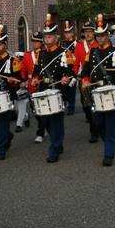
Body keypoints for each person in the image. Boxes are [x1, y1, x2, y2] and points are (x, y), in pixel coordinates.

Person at [80, 15, 115, 166]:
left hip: (111, 91)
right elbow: (85, 71)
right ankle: (108, 143)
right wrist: (85, 80)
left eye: (102, 36)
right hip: (96, 92)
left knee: (111, 124)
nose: (99, 38)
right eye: (97, 36)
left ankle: (109, 154)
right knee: (98, 123)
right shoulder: (91, 52)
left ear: (107, 36)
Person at [31, 14, 74, 162]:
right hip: (44, 89)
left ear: (56, 37)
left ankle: (54, 150)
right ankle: (58, 143)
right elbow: (36, 71)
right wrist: (35, 79)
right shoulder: (41, 54)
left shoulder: (64, 53)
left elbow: (71, 72)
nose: (47, 39)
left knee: (56, 120)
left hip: (58, 90)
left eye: (50, 36)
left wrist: (66, 78)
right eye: (45, 37)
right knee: (46, 121)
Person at [0, 25, 21, 160]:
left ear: (5, 45)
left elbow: (19, 80)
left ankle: (1, 150)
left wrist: (13, 80)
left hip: (6, 95)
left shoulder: (13, 61)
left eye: (0, 44)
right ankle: (8, 135)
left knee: (2, 123)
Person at [74, 20, 99, 142]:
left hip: (96, 79)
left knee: (97, 104)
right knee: (86, 106)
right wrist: (76, 74)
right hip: (83, 79)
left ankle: (94, 131)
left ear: (94, 33)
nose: (88, 34)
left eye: (90, 31)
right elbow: (75, 63)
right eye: (86, 32)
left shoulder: (98, 44)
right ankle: (93, 123)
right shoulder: (79, 46)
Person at [22, 31, 47, 142]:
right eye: (33, 41)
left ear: (41, 43)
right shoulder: (27, 55)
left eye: (37, 41)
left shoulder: (45, 53)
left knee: (43, 109)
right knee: (35, 110)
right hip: (31, 84)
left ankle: (40, 132)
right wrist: (24, 80)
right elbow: (23, 70)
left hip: (43, 83)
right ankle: (43, 127)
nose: (35, 43)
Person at [61, 20, 77, 115]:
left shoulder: (76, 43)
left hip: (72, 68)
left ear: (72, 33)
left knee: (71, 88)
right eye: (66, 32)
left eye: (69, 32)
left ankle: (71, 106)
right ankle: (63, 104)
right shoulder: (62, 43)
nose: (67, 34)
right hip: (64, 67)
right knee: (63, 88)